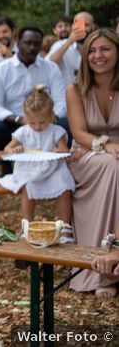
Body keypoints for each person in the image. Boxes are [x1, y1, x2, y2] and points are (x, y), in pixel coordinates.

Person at [0, 26, 68, 215]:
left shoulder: (50, 68)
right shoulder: (1, 69)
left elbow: (62, 103)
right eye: (27, 43)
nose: (32, 47)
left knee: (66, 125)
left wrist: (47, 119)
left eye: (36, 43)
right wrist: (20, 119)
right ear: (17, 42)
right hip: (14, 121)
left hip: (46, 122)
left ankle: (64, 184)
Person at [66, 28, 119, 297]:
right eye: (93, 50)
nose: (98, 56)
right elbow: (78, 133)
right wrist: (106, 145)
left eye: (105, 49)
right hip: (87, 153)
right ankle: (102, 268)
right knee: (112, 166)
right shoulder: (75, 90)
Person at [0, 86, 74, 236]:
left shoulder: (56, 131)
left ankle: (66, 227)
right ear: (26, 118)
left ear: (51, 117)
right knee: (28, 188)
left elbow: (64, 150)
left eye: (42, 122)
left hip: (52, 168)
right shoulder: (23, 132)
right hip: (29, 168)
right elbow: (7, 149)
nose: (37, 127)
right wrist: (14, 150)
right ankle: (27, 225)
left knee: (65, 187)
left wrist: (60, 151)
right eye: (33, 123)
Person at [47, 11, 96, 85]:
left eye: (86, 25)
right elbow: (50, 63)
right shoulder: (61, 44)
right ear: (73, 26)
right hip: (66, 94)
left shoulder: (98, 47)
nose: (82, 28)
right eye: (79, 25)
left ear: (93, 27)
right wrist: (69, 42)